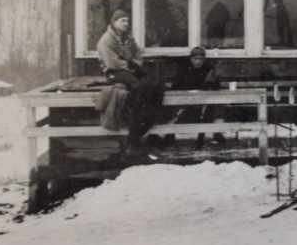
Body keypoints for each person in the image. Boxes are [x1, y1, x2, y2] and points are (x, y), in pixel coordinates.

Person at [97, 9, 164, 155]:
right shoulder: (106, 40)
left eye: (127, 21)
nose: (126, 23)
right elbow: (112, 62)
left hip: (130, 69)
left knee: (156, 85)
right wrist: (130, 65)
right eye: (123, 21)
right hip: (114, 73)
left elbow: (138, 53)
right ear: (114, 22)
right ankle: (133, 127)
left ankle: (147, 121)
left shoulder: (128, 37)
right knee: (139, 87)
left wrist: (135, 64)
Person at [172, 46, 226, 148]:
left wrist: (210, 85)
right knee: (175, 111)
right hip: (185, 100)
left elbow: (216, 87)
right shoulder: (184, 69)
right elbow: (176, 86)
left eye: (201, 59)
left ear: (204, 59)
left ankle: (212, 133)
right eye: (195, 59)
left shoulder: (209, 69)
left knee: (214, 106)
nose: (198, 62)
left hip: (204, 101)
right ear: (191, 59)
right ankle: (168, 135)